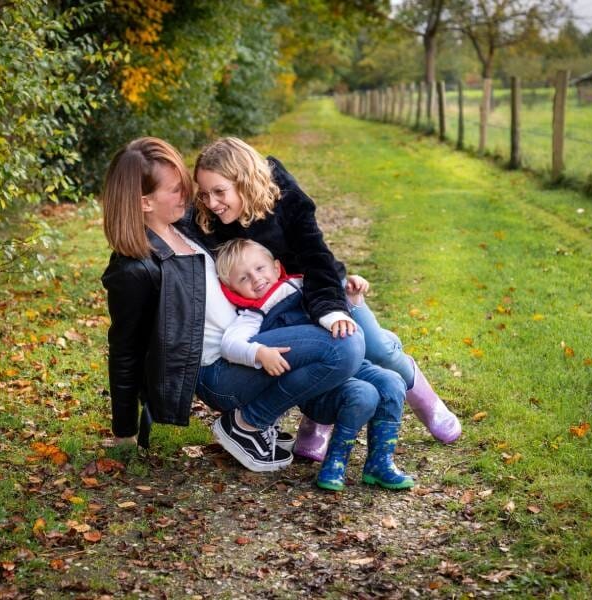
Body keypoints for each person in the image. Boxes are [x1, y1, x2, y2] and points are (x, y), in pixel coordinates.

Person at [100, 137, 365, 473]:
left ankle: (275, 420)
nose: (189, 195)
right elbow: (125, 350)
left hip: (250, 336)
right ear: (145, 203)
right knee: (346, 346)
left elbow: (253, 200)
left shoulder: (189, 226)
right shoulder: (136, 268)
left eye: (185, 183)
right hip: (220, 371)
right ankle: (247, 423)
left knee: (362, 374)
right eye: (174, 189)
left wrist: (262, 172)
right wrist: (125, 432)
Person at [192, 137, 462, 459]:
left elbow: (316, 256)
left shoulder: (286, 199)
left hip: (320, 288)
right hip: (277, 306)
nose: (211, 202)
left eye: (219, 191)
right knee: (319, 355)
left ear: (245, 180)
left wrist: (332, 310)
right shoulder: (210, 220)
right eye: (204, 193)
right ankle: (318, 419)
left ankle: (428, 403)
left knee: (375, 347)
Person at [215, 238, 414, 490]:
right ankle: (335, 462)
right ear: (232, 288)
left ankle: (380, 462)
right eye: (243, 278)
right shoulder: (255, 313)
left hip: (353, 363)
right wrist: (259, 353)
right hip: (321, 387)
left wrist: (351, 299)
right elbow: (229, 344)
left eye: (259, 268)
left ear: (277, 267)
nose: (255, 279)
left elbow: (338, 311)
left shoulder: (306, 284)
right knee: (363, 394)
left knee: (392, 382)